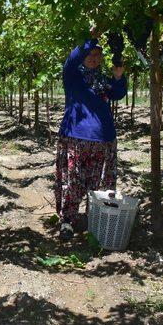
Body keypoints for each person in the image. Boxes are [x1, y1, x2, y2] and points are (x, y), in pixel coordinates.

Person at [55, 33, 127, 240]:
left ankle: (95, 219)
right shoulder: (73, 75)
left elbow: (117, 93)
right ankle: (67, 221)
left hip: (104, 139)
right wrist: (91, 37)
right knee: (73, 180)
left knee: (100, 181)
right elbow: (72, 59)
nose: (94, 58)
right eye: (90, 54)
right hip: (76, 137)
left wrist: (119, 77)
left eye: (98, 54)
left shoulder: (102, 80)